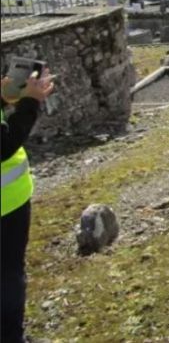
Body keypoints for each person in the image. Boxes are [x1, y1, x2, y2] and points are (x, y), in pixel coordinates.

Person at [2, 71, 55, 343]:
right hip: (6, 206)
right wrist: (30, 103)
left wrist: (3, 98)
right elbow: (4, 144)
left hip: (10, 201)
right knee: (8, 277)